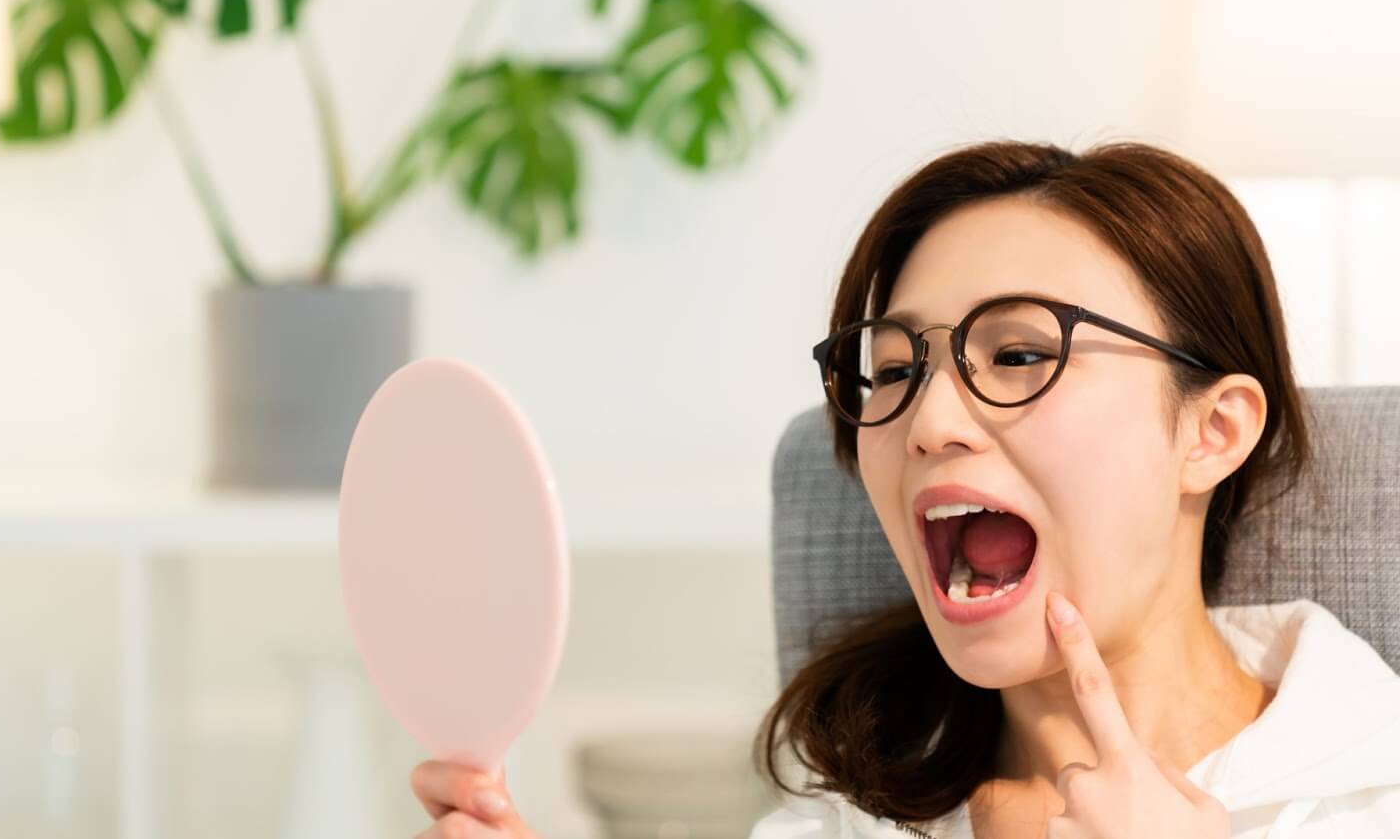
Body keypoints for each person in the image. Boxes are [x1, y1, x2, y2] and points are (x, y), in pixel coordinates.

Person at [405, 139, 1400, 838]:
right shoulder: (836, 819)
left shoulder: (1372, 792)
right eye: (891, 369)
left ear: (1211, 429)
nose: (926, 420)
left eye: (1016, 353)